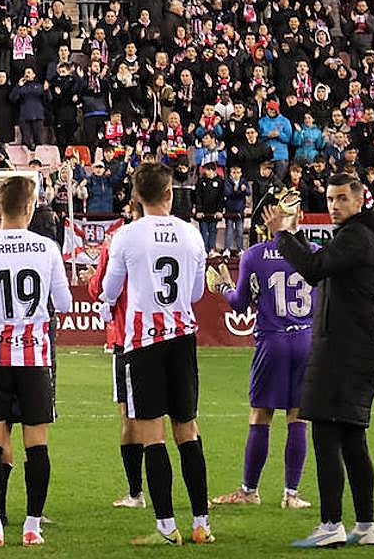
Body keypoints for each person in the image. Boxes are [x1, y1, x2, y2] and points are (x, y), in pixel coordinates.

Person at [269, 174, 374, 548]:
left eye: (341, 198)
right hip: (355, 348)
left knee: (325, 432)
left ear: (358, 202)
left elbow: (312, 267)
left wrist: (284, 234)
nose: (333, 205)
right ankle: (365, 525)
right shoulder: (359, 235)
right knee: (353, 438)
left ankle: (330, 523)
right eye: (329, 198)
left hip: (345, 350)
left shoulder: (355, 237)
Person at [101, 162, 212, 546]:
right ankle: (202, 523)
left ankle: (167, 527)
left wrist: (107, 303)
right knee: (188, 430)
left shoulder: (127, 236)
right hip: (183, 338)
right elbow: (196, 293)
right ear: (170, 193)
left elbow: (110, 287)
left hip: (143, 343)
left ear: (136, 197)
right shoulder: (192, 234)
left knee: (152, 436)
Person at [0, 176, 72, 547]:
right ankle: (32, 526)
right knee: (36, 443)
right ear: (29, 207)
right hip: (35, 357)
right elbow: (65, 304)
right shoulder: (46, 248)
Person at [207, 188, 313, 510]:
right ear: (302, 218)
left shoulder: (254, 255)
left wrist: (222, 285)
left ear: (268, 221)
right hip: (306, 341)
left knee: (261, 415)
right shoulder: (315, 252)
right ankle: (291, 494)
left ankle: (249, 490)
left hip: (272, 341)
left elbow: (239, 304)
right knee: (298, 418)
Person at [85, 201, 146, 509]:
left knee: (130, 418)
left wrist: (92, 277)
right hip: (170, 337)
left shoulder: (118, 241)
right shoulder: (181, 235)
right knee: (179, 418)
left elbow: (100, 289)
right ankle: (196, 502)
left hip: (128, 338)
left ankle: (136, 493)